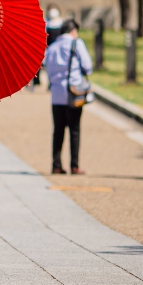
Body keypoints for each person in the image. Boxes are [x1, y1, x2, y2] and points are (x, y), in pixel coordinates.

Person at [45, 19, 93, 175]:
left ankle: (56, 164)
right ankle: (74, 165)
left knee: (58, 130)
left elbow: (47, 68)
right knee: (74, 130)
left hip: (56, 95)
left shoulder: (51, 48)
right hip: (74, 93)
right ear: (73, 31)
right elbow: (88, 66)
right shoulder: (76, 43)